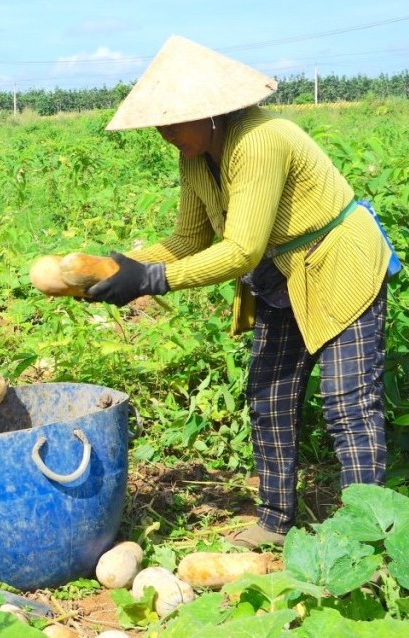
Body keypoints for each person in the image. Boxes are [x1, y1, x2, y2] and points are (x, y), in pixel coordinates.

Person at [87, 36, 397, 548]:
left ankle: (367, 540)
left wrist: (152, 281)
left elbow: (241, 251)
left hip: (341, 265)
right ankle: (275, 522)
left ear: (211, 112)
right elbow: (188, 239)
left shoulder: (258, 140)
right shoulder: (195, 154)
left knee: (348, 403)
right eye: (158, 123)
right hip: (282, 279)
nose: (165, 133)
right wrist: (120, 266)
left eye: (173, 120)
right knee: (269, 396)